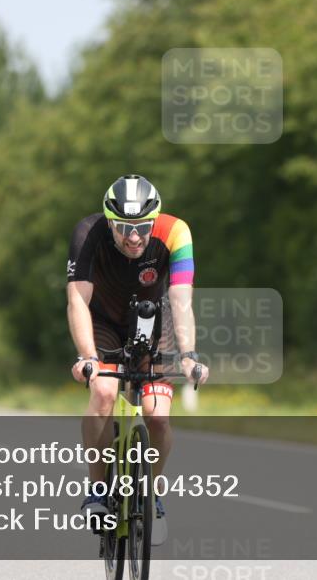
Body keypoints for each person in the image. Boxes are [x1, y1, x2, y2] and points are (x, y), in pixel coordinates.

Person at [68, 174, 208, 542]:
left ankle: (150, 495)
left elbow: (181, 300)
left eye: (143, 227)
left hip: (154, 319)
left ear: (154, 220)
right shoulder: (88, 232)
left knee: (157, 416)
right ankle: (98, 491)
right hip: (103, 323)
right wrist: (87, 357)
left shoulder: (176, 231)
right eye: (123, 228)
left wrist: (188, 355)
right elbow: (78, 300)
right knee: (103, 393)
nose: (133, 237)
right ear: (109, 222)